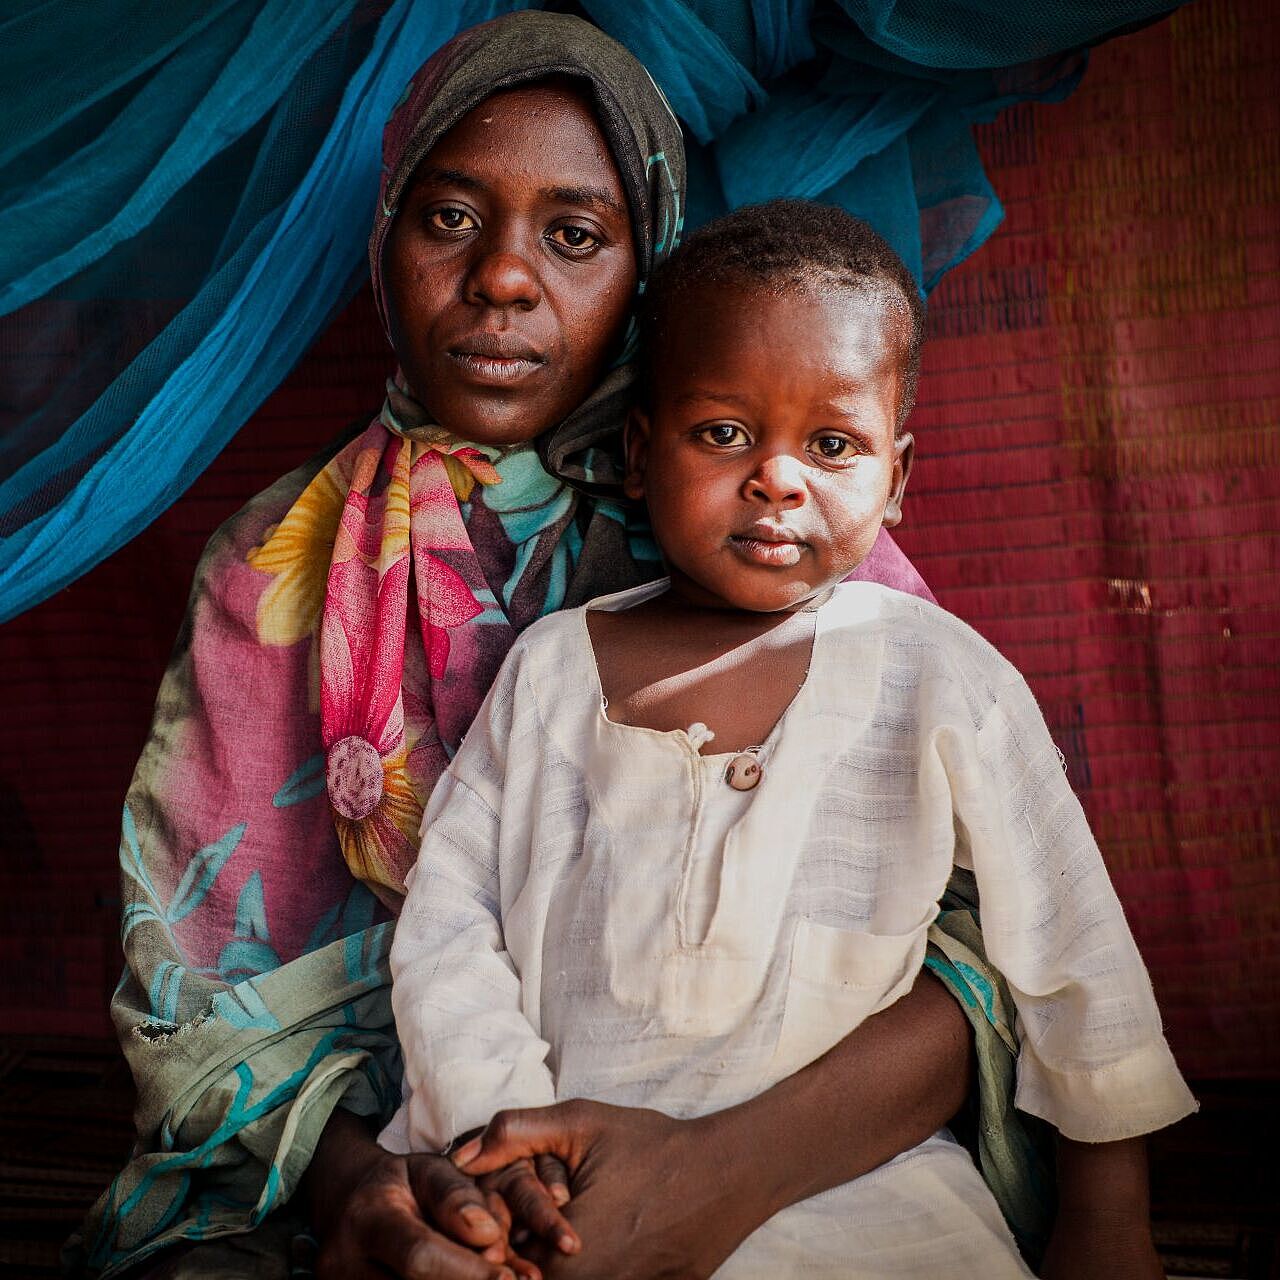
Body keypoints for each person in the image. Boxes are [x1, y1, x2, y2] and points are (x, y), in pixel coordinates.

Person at [71, 15, 1043, 1280]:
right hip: (366, 1153)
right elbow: (192, 984)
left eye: (573, 235)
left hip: (763, 1139)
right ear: (384, 242)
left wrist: (705, 1178)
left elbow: (984, 958)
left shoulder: (772, 527)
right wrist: (367, 1188)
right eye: (448, 219)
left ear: (649, 262)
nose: (503, 279)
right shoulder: (274, 567)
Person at [382, 200, 1198, 1279]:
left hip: (869, 1205)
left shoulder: (936, 674)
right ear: (639, 452)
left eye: (831, 443)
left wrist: (1105, 1216)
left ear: (894, 477)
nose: (776, 477)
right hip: (568, 1203)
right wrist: (503, 1131)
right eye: (722, 432)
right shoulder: (548, 668)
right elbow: (449, 925)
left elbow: (1070, 946)